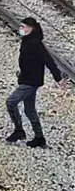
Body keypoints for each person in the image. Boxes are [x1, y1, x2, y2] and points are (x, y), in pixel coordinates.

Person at [5, 17, 68, 148]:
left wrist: (58, 78)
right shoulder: (27, 41)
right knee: (30, 110)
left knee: (11, 102)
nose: (20, 29)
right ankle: (39, 138)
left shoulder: (35, 43)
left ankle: (19, 131)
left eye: (23, 26)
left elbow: (49, 61)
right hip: (26, 79)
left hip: (31, 82)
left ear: (30, 28)